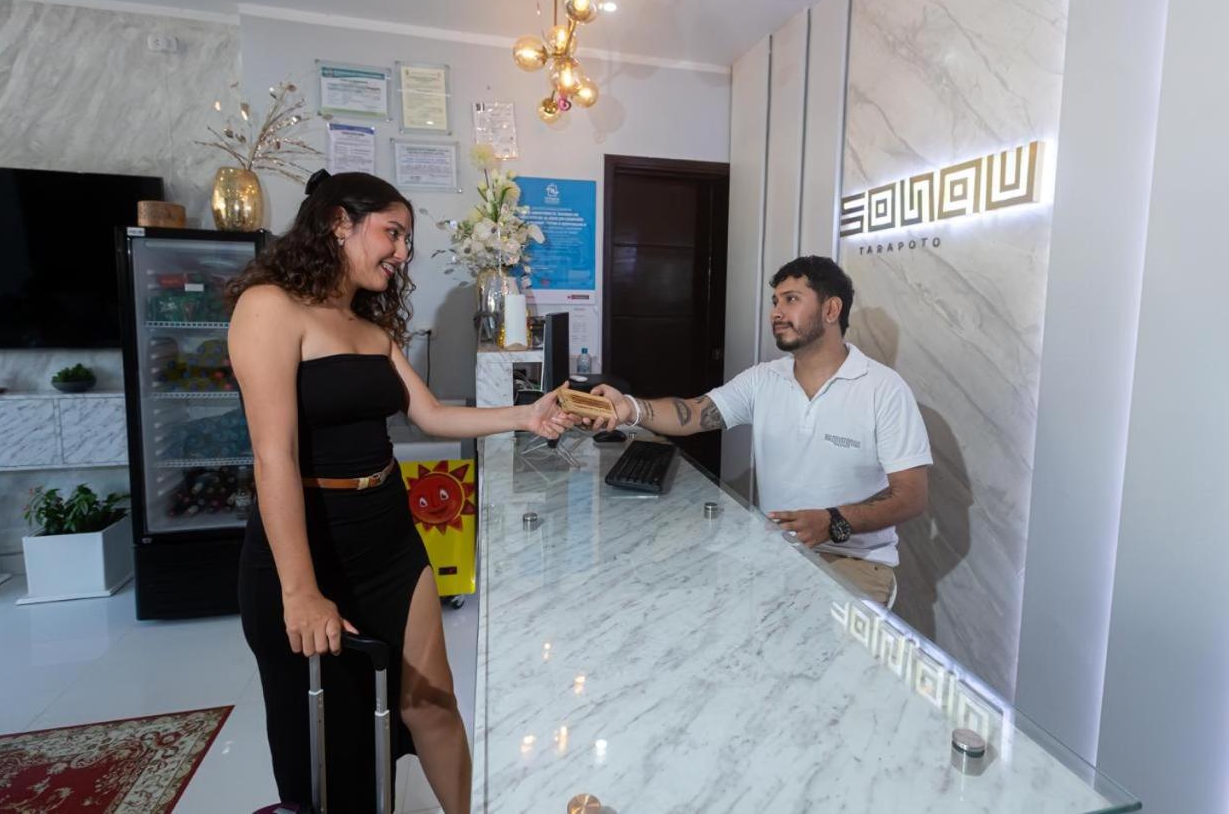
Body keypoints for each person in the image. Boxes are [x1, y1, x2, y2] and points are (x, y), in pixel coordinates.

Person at [227, 170, 574, 812]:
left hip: (388, 536)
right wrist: (300, 591)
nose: (403, 252)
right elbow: (274, 456)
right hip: (308, 544)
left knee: (431, 702)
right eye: (393, 233)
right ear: (339, 223)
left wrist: (526, 416)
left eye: (407, 239)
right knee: (330, 736)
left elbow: (432, 414)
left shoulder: (368, 326)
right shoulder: (269, 307)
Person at [591, 256, 931, 606]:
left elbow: (911, 495)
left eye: (791, 299)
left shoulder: (883, 389)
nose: (776, 313)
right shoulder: (763, 378)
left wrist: (833, 521)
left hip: (852, 561)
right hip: (777, 551)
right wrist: (628, 407)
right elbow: (694, 413)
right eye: (775, 301)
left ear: (831, 310)